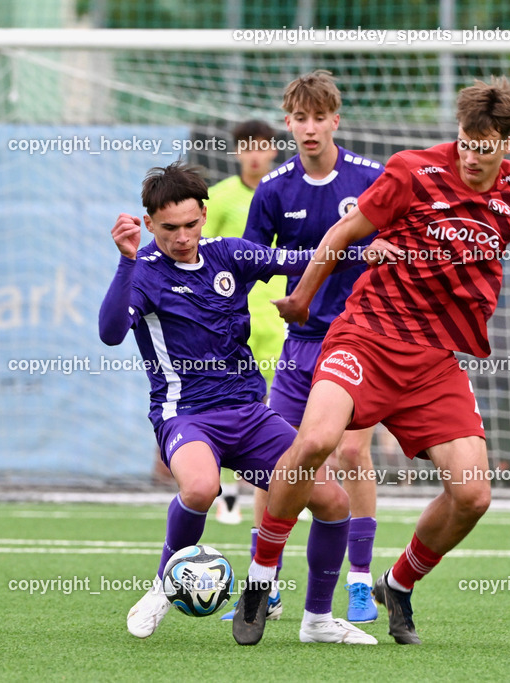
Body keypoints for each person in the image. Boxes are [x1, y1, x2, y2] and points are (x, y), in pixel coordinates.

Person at [232, 76, 510, 647]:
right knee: (314, 443)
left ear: (507, 143)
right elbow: (343, 231)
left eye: (485, 148)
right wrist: (305, 296)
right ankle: (262, 577)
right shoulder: (412, 170)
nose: (472, 157)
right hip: (365, 335)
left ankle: (398, 583)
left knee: (473, 494)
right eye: (465, 142)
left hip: (435, 363)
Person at [99, 161, 375, 645]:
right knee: (202, 488)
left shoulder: (228, 254)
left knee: (333, 501)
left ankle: (317, 621)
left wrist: (367, 249)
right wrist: (124, 261)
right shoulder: (143, 272)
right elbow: (110, 333)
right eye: (168, 228)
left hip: (250, 414)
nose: (182, 237)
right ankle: (164, 586)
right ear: (148, 225)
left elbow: (304, 260)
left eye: (190, 224)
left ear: (204, 215)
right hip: (186, 414)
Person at [225, 71, 386, 625]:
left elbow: (400, 243)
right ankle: (262, 586)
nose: (310, 127)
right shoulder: (274, 190)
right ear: (287, 122)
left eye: (321, 117)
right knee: (274, 464)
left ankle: (360, 584)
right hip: (300, 346)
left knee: (351, 452)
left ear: (335, 120)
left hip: (363, 342)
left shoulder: (372, 177)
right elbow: (245, 263)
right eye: (300, 117)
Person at [202, 119, 281, 526]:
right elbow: (199, 253)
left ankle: (278, 488)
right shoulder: (219, 198)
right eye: (247, 146)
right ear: (236, 152)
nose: (255, 154)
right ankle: (228, 495)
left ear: (272, 150)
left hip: (282, 318)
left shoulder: (285, 192)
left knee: (278, 409)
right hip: (235, 320)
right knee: (235, 404)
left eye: (262, 146)